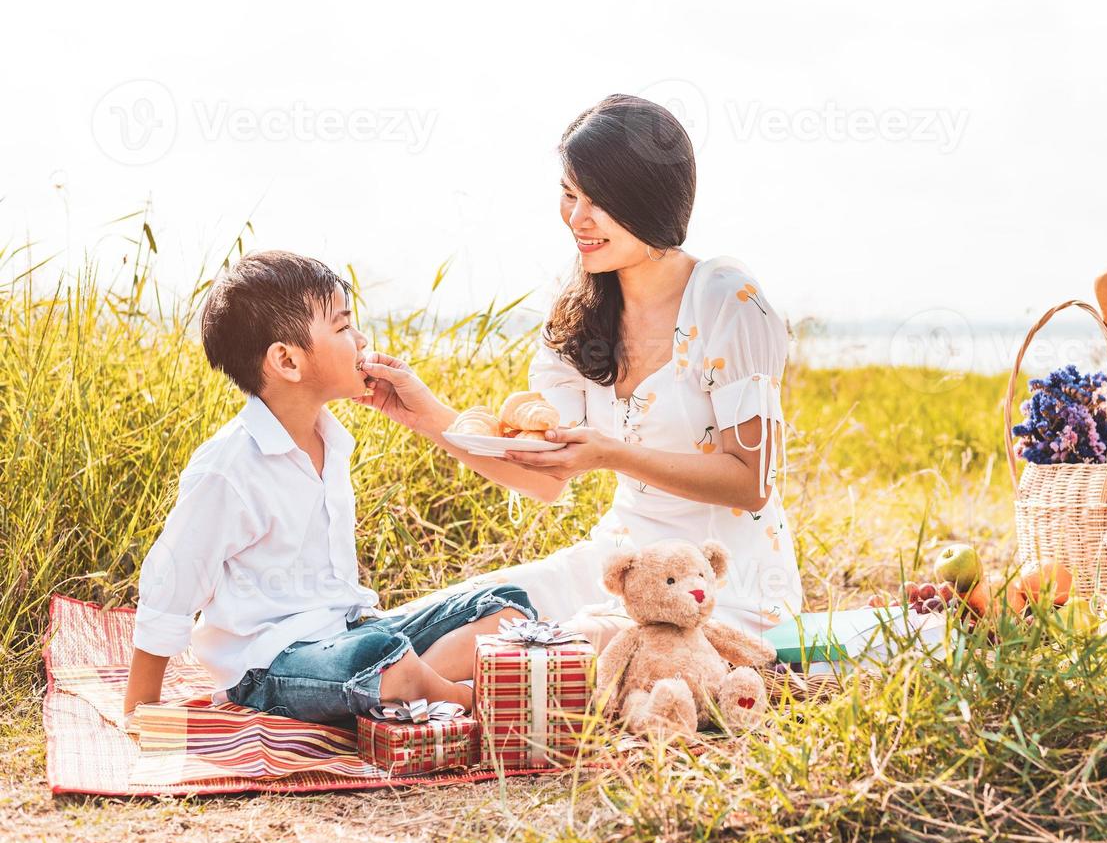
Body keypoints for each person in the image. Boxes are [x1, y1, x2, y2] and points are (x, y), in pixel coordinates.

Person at [356, 94, 802, 650]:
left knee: (520, 653)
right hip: (618, 566)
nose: (577, 219)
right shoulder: (580, 310)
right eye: (570, 195)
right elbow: (545, 476)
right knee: (428, 623)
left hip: (718, 592)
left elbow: (751, 482)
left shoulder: (726, 297)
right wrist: (427, 415)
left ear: (651, 201)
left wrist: (611, 454)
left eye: (600, 201)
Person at [122, 251, 531, 726]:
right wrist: (142, 706)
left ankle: (402, 686)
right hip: (271, 666)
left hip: (348, 633)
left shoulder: (331, 440)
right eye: (342, 328)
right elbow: (173, 581)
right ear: (287, 360)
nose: (361, 340)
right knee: (380, 654)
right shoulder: (228, 468)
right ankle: (450, 696)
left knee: (506, 605)